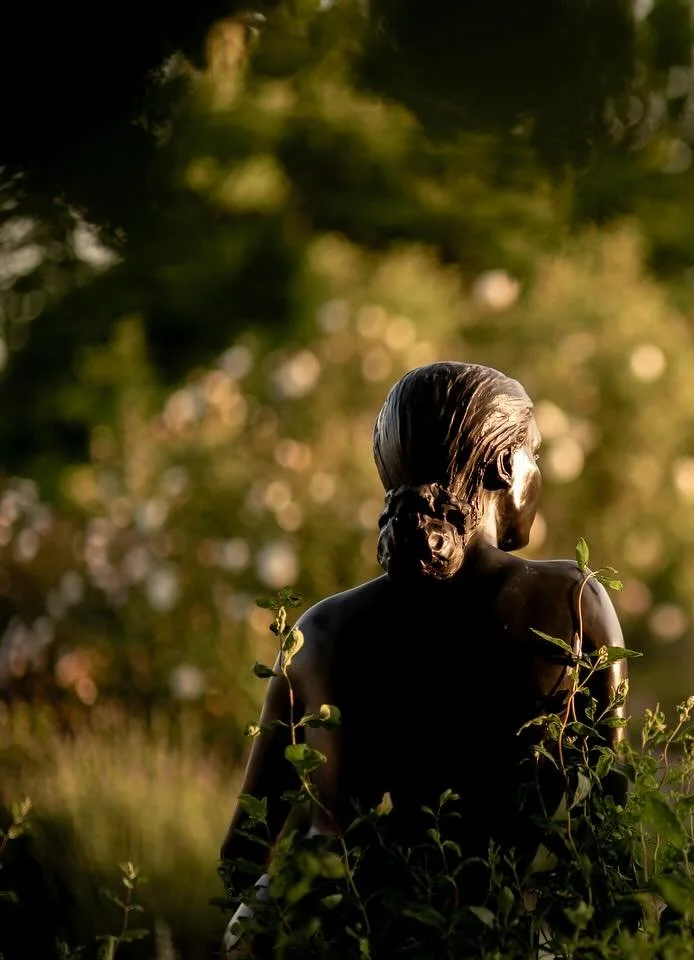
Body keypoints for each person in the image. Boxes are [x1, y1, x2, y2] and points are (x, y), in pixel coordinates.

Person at [217, 361, 629, 944]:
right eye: (534, 455)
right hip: (489, 939)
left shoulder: (318, 632)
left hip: (327, 939)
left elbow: (241, 860)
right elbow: (611, 837)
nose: (538, 473)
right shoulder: (573, 603)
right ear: (504, 466)